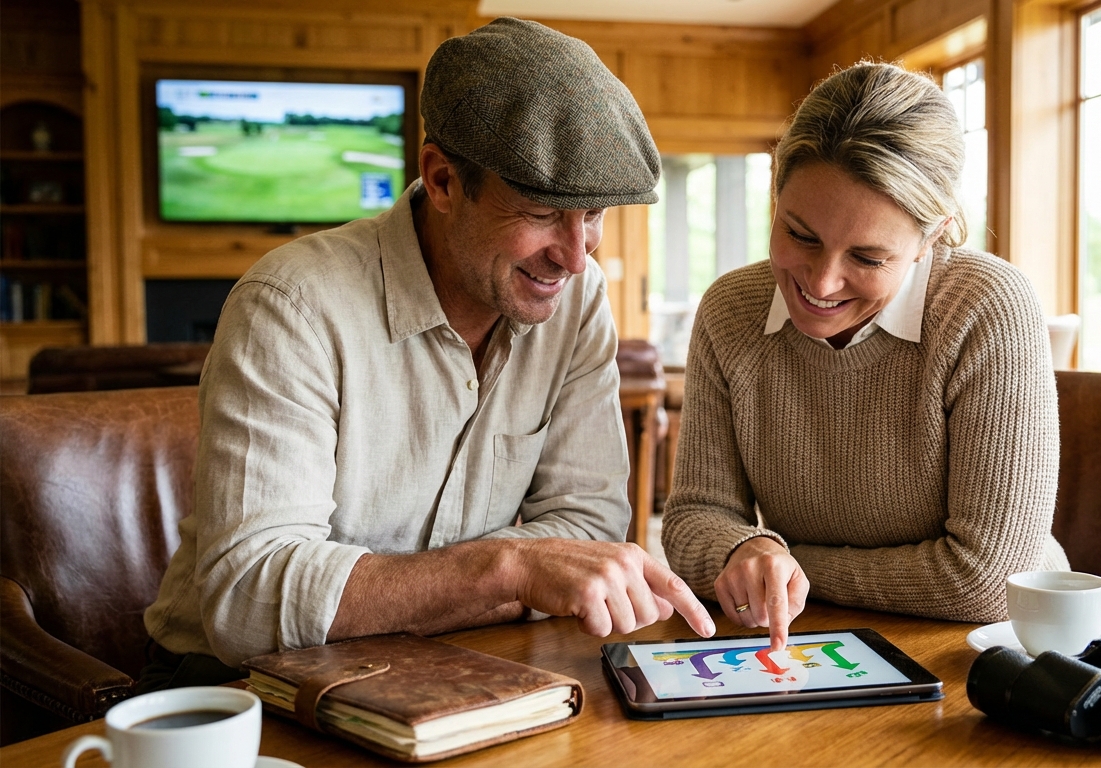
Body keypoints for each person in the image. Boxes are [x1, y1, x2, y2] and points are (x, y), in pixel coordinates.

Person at [139, 17, 714, 692]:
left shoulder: (578, 299)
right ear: (442, 180)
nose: (574, 253)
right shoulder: (290, 305)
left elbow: (588, 526)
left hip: (455, 667)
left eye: (593, 214)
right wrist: (507, 569)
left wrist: (431, 590)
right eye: (540, 211)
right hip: (232, 690)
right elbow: (248, 598)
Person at [662, 62, 1070, 651]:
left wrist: (786, 563)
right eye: (800, 234)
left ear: (932, 238)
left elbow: (985, 582)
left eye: (869, 258)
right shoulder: (731, 311)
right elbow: (695, 516)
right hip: (810, 642)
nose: (821, 283)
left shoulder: (987, 307)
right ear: (776, 188)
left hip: (985, 653)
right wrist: (739, 548)